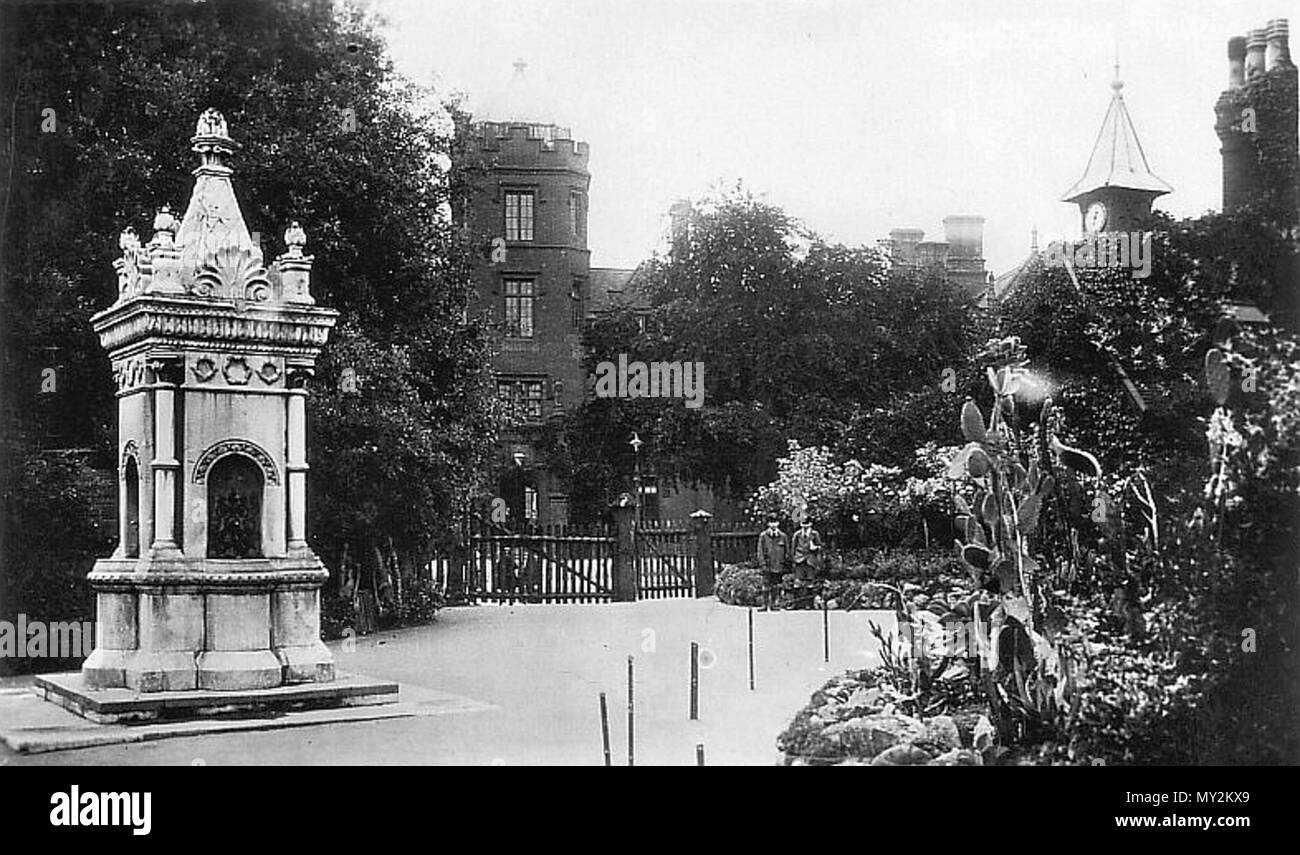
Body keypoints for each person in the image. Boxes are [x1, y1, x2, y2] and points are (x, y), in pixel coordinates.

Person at [756, 516, 789, 611]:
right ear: (768, 524)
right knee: (766, 585)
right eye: (771, 522)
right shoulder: (763, 536)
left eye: (775, 522)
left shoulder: (782, 536)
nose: (773, 524)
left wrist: (785, 563)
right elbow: (760, 551)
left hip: (778, 565)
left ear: (778, 523)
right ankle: (765, 604)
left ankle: (774, 604)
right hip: (767, 565)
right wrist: (762, 563)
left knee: (776, 585)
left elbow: (786, 551)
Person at [791, 518, 824, 584]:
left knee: (810, 580)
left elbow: (820, 547)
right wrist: (793, 559)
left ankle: (810, 592)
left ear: (811, 524)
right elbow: (793, 548)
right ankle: (799, 593)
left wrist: (815, 547)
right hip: (799, 559)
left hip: (811, 559)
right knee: (798, 581)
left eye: (807, 524)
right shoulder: (797, 534)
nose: (805, 526)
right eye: (803, 524)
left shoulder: (815, 534)